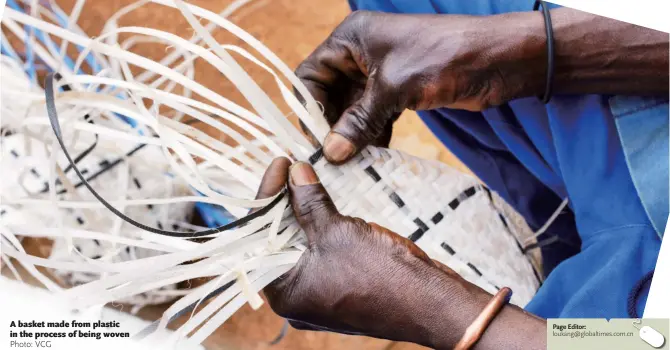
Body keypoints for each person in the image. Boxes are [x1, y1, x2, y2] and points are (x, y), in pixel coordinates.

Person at [255, 1, 669, 348]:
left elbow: (639, 339)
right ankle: (564, 234)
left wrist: (437, 310)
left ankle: (571, 255)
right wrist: (518, 51)